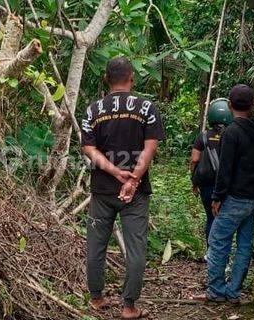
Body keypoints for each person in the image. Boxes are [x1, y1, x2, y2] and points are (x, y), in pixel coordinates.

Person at [80, 56, 165, 319]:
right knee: (136, 247)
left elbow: (88, 148)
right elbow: (151, 145)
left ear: (106, 79)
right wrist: (133, 178)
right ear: (132, 78)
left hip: (102, 190)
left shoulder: (93, 110)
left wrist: (115, 172)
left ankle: (96, 298)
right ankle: (129, 307)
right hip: (135, 194)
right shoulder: (147, 108)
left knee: (96, 245)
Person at [198, 84, 254, 304]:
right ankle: (234, 291)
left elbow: (225, 169)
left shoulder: (231, 133)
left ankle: (216, 290)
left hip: (235, 197)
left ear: (229, 104)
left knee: (217, 240)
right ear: (252, 105)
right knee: (244, 244)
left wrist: (217, 197)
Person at [190, 98, 233, 261]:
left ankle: (210, 253)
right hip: (226, 184)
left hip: (207, 183)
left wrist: (194, 181)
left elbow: (194, 160)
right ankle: (224, 256)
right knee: (225, 219)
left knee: (211, 217)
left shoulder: (203, 137)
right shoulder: (231, 134)